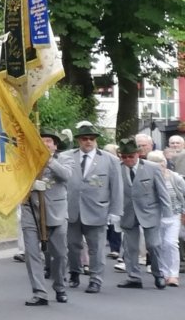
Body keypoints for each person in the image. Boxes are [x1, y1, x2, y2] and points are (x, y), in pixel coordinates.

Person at [65, 120, 124, 295]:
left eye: (91, 138)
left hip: (97, 210)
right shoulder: (67, 156)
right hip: (72, 209)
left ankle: (95, 279)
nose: (88, 142)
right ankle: (75, 271)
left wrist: (115, 212)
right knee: (72, 245)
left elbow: (117, 187)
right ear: (78, 140)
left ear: (96, 140)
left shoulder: (110, 160)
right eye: (84, 139)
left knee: (96, 249)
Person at [21, 131, 72, 306]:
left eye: (49, 141)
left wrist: (48, 160)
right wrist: (28, 185)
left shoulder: (64, 159)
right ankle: (39, 292)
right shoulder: (27, 160)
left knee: (59, 254)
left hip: (56, 212)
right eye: (41, 141)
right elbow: (15, 180)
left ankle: (60, 286)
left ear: (55, 145)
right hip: (31, 210)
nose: (45, 144)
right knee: (32, 253)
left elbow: (66, 176)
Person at [117, 139, 167, 290]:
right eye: (124, 157)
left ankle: (159, 274)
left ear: (138, 154)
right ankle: (133, 277)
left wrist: (168, 213)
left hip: (150, 211)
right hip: (127, 212)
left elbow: (162, 192)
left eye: (131, 156)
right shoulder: (117, 169)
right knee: (130, 247)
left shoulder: (152, 168)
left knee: (154, 245)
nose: (127, 160)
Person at [148, 150, 185, 288]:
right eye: (155, 164)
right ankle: (163, 272)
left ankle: (173, 274)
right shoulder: (147, 178)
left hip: (173, 214)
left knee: (171, 243)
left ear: (165, 163)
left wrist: (184, 212)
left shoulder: (175, 178)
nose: (160, 167)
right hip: (155, 216)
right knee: (159, 245)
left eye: (161, 163)